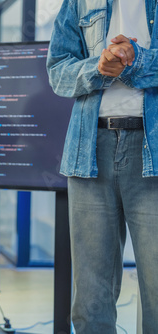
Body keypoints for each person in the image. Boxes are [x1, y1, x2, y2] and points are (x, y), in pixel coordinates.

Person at [47, 0, 158, 332]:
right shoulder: (78, 2)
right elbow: (57, 71)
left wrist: (136, 60)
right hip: (89, 147)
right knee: (91, 296)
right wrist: (99, 67)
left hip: (152, 149)